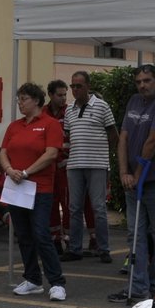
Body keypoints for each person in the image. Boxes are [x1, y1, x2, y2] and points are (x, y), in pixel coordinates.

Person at [109, 64, 155, 305]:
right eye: (139, 82)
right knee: (135, 234)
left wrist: (136, 173)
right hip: (133, 180)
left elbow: (154, 140)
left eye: (147, 80)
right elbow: (123, 137)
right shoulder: (134, 101)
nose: (142, 86)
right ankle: (137, 287)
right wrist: (123, 172)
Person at [0, 82, 66, 301]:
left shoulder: (50, 124)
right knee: (24, 234)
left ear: (36, 100)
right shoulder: (14, 126)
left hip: (39, 187)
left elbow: (51, 154)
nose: (20, 103)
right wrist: (9, 170)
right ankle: (33, 279)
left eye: (24, 99)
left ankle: (56, 282)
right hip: (16, 186)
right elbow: (3, 152)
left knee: (41, 233)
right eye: (19, 99)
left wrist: (26, 172)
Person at [62, 71, 117, 263]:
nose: (75, 90)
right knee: (74, 208)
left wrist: (108, 157)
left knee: (99, 208)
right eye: (73, 86)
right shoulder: (69, 110)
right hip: (75, 164)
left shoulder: (102, 106)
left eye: (79, 86)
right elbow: (68, 137)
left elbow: (113, 134)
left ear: (88, 86)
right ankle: (75, 249)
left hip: (97, 164)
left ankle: (104, 249)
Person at [46, 80, 72, 249]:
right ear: (50, 95)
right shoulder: (42, 113)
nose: (63, 98)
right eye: (59, 95)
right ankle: (55, 238)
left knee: (69, 204)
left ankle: (70, 239)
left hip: (66, 167)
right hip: (48, 167)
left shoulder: (70, 112)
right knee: (51, 203)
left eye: (65, 95)